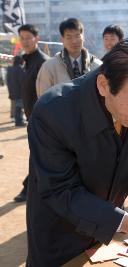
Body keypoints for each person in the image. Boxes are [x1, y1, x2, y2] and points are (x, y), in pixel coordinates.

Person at [26, 38, 128, 266]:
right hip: (60, 236)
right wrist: (123, 221)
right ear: (104, 85)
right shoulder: (53, 112)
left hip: (108, 231)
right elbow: (61, 190)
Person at [14, 24, 50, 202]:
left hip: (42, 120)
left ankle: (27, 188)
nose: (25, 41)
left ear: (37, 38)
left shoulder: (43, 62)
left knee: (38, 155)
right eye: (22, 38)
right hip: (32, 117)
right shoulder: (26, 60)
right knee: (38, 155)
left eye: (29, 37)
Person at [36, 18, 102, 96]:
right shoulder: (49, 67)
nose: (74, 41)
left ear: (83, 37)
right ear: (62, 40)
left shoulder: (97, 66)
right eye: (69, 37)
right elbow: (43, 100)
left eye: (77, 36)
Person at [6, 55, 25, 127]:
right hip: (19, 91)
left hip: (13, 90)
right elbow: (22, 81)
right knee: (19, 107)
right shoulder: (20, 69)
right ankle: (19, 121)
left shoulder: (11, 69)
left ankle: (17, 120)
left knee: (17, 106)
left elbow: (8, 81)